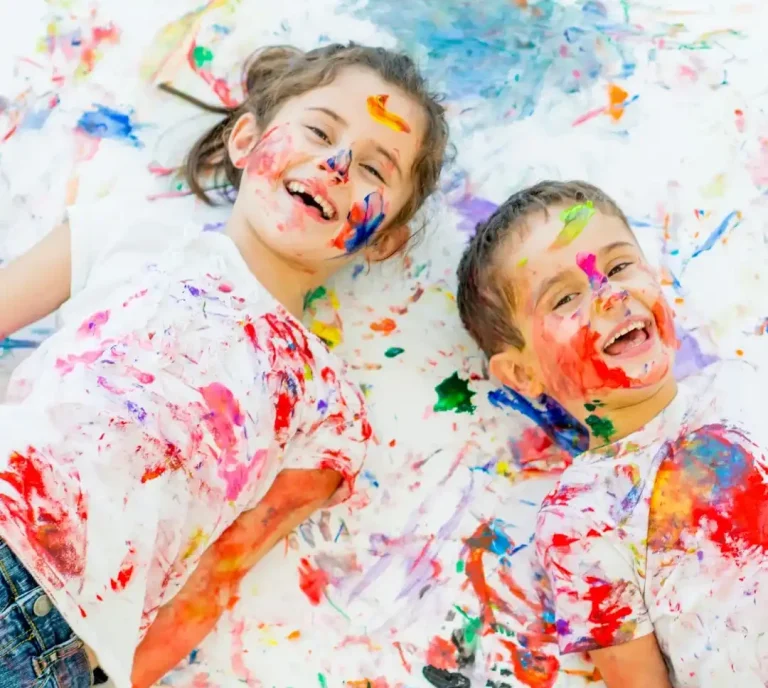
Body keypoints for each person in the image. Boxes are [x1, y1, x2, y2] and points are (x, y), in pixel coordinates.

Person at [0, 42, 449, 688]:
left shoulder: (330, 410)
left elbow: (214, 582)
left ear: (385, 240)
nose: (339, 163)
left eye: (377, 169)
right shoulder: (132, 227)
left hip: (57, 639)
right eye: (320, 129)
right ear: (246, 139)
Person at [456, 180, 768, 687]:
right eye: (564, 298)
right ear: (522, 375)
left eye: (619, 266)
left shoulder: (747, 379)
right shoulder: (581, 517)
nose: (611, 295)